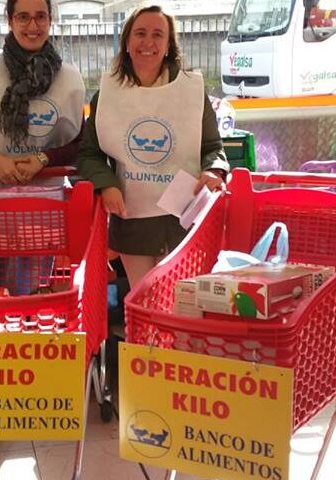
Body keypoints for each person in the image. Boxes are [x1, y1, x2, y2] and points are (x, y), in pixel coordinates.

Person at [78, 5, 230, 288]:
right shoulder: (107, 95)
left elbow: (213, 147)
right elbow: (89, 153)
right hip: (133, 222)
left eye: (158, 34)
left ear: (169, 44)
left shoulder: (191, 91)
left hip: (184, 220)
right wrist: (106, 184)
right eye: (140, 33)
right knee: (142, 303)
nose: (148, 42)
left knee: (185, 306)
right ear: (126, 41)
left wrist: (214, 171)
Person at [0, 0, 85, 185]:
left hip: (51, 194)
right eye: (23, 17)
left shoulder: (69, 78)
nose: (33, 26)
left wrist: (44, 159)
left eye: (40, 17)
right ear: (10, 21)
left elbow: (81, 142)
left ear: (50, 20)